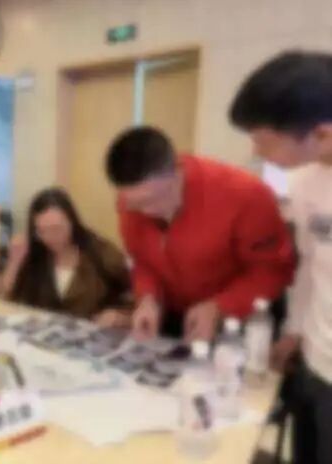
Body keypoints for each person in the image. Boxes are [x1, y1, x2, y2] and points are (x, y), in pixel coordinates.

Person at [230, 50, 332, 464]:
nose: (257, 152)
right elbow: (310, 265)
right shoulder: (304, 182)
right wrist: (293, 331)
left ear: (321, 134)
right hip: (314, 360)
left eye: (264, 141)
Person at [106, 126, 294, 342]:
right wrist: (148, 299)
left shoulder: (246, 195)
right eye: (137, 204)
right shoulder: (130, 202)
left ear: (178, 170)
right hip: (176, 315)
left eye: (155, 199)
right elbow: (142, 261)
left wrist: (221, 307)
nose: (148, 211)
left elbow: (272, 271)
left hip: (242, 320)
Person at [0, 188, 131, 326]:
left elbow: (135, 299)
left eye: (57, 229)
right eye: (41, 231)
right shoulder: (35, 251)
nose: (49, 238)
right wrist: (14, 263)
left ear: (72, 223)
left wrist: (120, 317)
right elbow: (6, 300)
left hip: (90, 333)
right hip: (44, 333)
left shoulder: (101, 253)